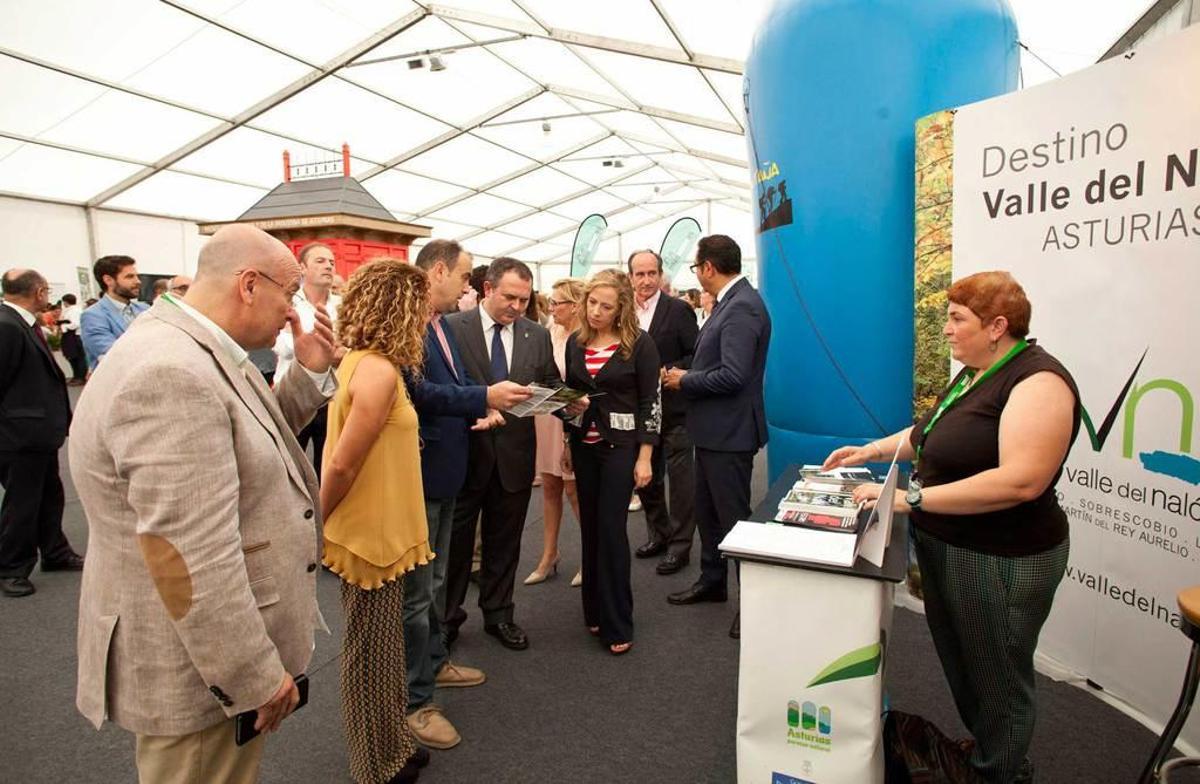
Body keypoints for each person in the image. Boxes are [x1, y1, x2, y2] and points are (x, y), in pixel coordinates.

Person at [69, 225, 336, 783]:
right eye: (288, 295)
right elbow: (190, 555)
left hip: (198, 653)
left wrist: (308, 370)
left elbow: (252, 444)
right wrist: (253, 675)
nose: (291, 313)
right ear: (247, 285)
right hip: (198, 667)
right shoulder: (172, 373)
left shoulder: (190, 347)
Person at [823, 271, 1078, 784]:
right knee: (969, 670)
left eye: (957, 319)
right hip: (951, 548)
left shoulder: (1039, 381)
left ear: (997, 326)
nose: (946, 329)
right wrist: (871, 451)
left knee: (1000, 681)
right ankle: (990, 755)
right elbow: (929, 434)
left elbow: (1021, 482)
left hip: (1000, 560)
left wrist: (910, 498)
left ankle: (1000, 772)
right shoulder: (975, 372)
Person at [403, 240, 532, 751]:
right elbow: (417, 390)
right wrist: (483, 397)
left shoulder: (438, 321)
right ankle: (416, 700)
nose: (466, 286)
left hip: (448, 465)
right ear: (437, 271)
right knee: (417, 595)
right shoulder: (414, 323)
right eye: (462, 277)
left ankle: (435, 664)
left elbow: (440, 388)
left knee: (434, 580)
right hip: (429, 471)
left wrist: (474, 410)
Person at [321, 258, 436, 784]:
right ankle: (375, 768)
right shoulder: (378, 371)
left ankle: (392, 744)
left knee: (386, 652)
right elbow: (343, 462)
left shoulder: (363, 361)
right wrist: (313, 521)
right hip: (369, 537)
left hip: (384, 532)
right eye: (422, 311)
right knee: (369, 660)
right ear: (401, 310)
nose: (427, 320)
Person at [443, 257, 584, 652]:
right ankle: (447, 619)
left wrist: (567, 403)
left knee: (505, 543)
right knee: (455, 546)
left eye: (524, 300)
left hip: (514, 458)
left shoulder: (535, 335)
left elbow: (549, 384)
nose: (518, 307)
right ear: (487, 289)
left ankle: (499, 614)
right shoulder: (453, 328)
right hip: (465, 455)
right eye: (510, 298)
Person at [663, 235, 771, 640]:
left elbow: (733, 374)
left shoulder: (742, 307)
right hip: (713, 431)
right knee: (708, 515)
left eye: (696, 267)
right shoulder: (731, 303)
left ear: (708, 267)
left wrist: (685, 379)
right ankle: (712, 581)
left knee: (734, 520)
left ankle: (753, 602)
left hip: (730, 432)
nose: (697, 275)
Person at [564, 270, 660, 655]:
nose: (597, 312)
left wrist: (646, 457)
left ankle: (618, 621)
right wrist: (570, 433)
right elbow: (569, 392)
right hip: (583, 446)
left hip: (622, 447)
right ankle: (595, 612)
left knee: (612, 530)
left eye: (606, 306)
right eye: (592, 303)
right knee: (590, 528)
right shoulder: (575, 342)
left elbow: (651, 403)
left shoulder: (640, 345)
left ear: (621, 308)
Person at [0, 270, 81, 598]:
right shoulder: (6, 326)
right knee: (23, 504)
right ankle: (11, 567)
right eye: (46, 291)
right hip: (18, 437)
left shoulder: (22, 322)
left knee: (50, 495)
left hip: (37, 434)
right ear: (38, 291)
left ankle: (55, 552)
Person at [627, 249, 699, 575]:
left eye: (651, 273)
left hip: (675, 411)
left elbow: (697, 356)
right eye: (639, 274)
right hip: (638, 413)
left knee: (682, 484)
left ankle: (680, 547)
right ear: (630, 277)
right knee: (647, 480)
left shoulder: (679, 310)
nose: (646, 280)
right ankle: (660, 533)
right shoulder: (623, 313)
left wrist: (671, 372)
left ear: (660, 275)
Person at [526, 277, 585, 587]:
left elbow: (581, 388)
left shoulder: (586, 338)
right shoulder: (550, 332)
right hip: (545, 419)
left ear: (575, 305)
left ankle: (591, 554)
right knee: (549, 486)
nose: (551, 308)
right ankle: (549, 555)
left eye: (557, 303)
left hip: (571, 422)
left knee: (575, 491)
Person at [275, 242, 341, 478]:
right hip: (293, 397)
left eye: (332, 262)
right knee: (289, 466)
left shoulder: (343, 306)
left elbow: (348, 349)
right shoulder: (288, 302)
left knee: (325, 468)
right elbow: (281, 347)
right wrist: (320, 348)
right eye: (320, 261)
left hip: (330, 398)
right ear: (302, 268)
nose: (328, 266)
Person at [80, 254, 148, 368]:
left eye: (137, 276)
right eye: (130, 277)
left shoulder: (145, 309)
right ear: (108, 280)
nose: (138, 281)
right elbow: (114, 355)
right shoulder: (93, 316)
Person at [57, 293, 87, 384]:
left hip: (74, 335)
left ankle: (80, 377)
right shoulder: (69, 310)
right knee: (71, 356)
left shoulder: (75, 311)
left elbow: (76, 324)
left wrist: (64, 326)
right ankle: (76, 376)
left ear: (65, 302)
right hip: (69, 335)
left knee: (77, 357)